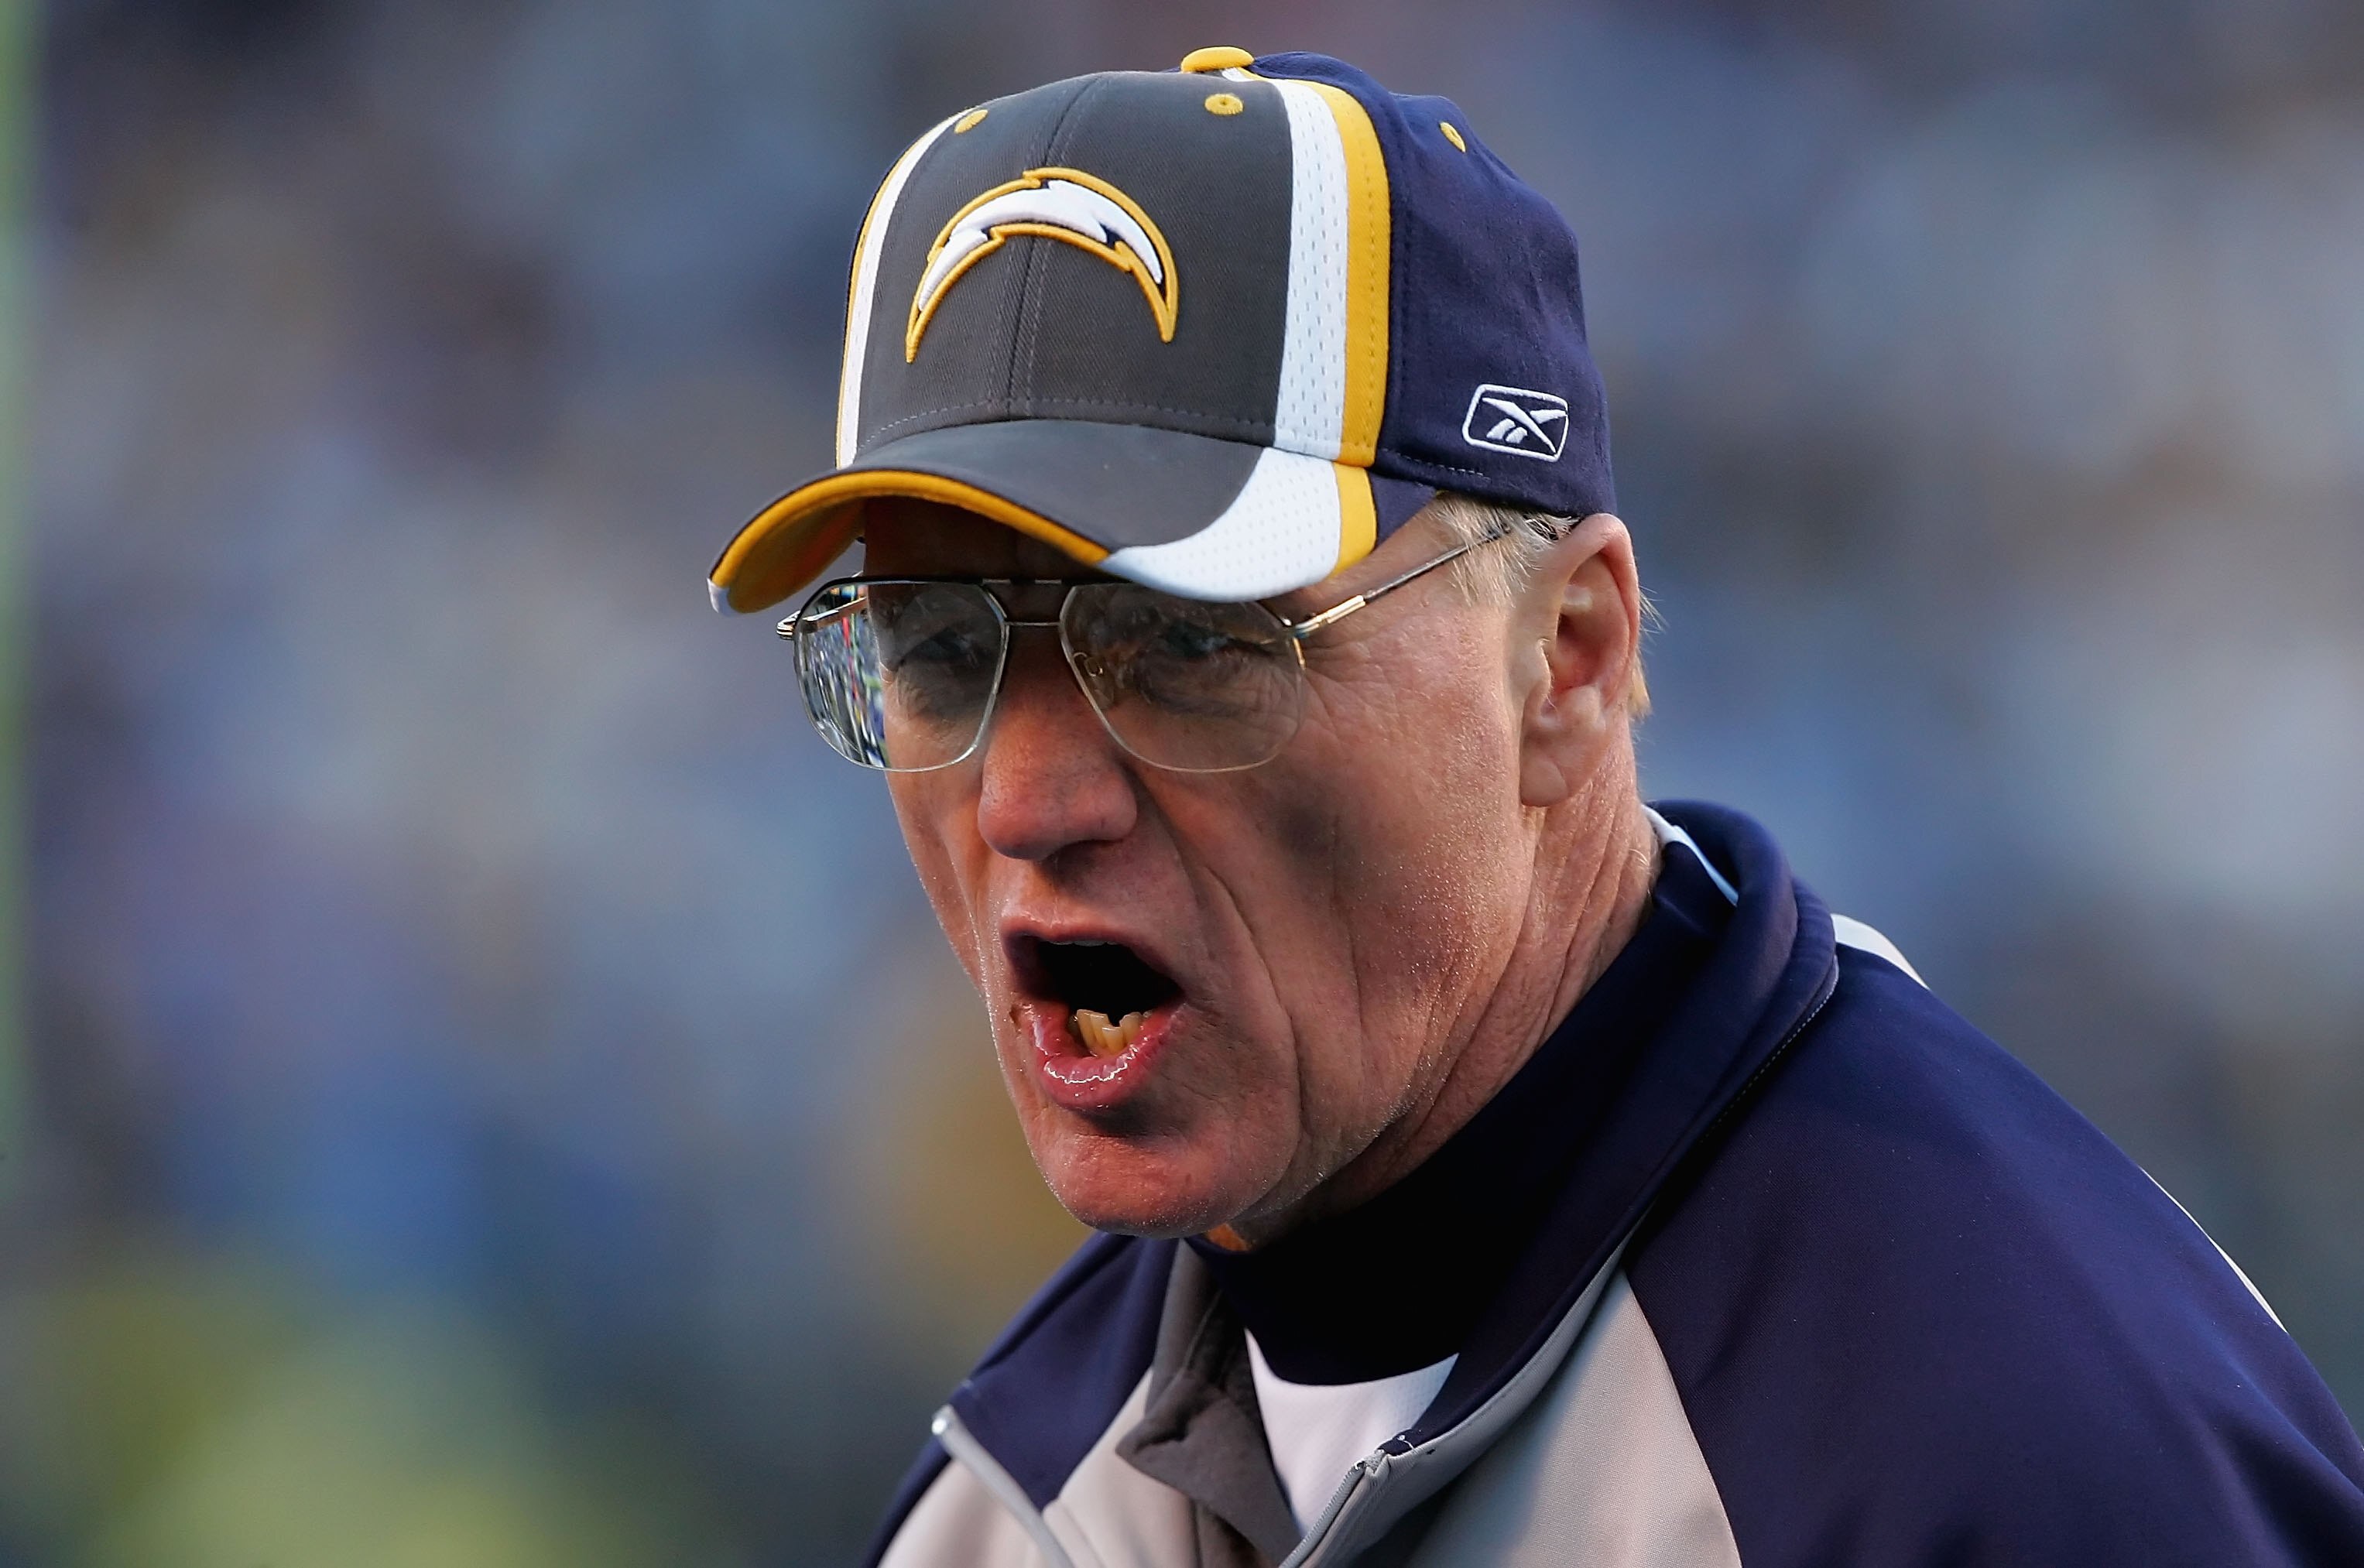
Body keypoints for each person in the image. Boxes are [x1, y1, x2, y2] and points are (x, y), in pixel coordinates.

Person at [706, 46, 2364, 1568]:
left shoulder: (1994, 1450)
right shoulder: (1012, 1505)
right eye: (934, 646)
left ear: (1568, 659)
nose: (1025, 797)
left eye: (1179, 642)